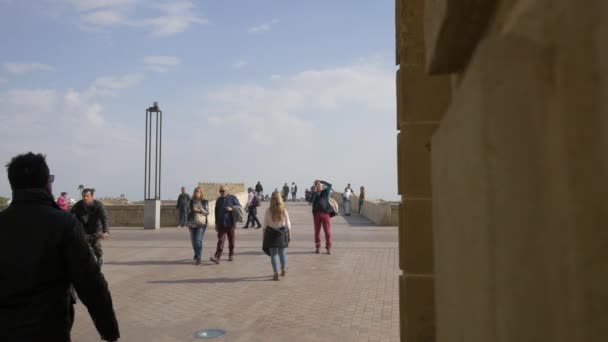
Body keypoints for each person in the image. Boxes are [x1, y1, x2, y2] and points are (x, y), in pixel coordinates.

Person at [0, 152, 119, 341]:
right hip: (49, 329)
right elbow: (90, 282)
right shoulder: (63, 223)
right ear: (47, 183)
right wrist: (109, 331)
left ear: (12, 184)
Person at [71, 188, 110, 267]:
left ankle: (99, 258)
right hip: (83, 229)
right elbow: (71, 217)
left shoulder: (98, 205)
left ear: (92, 196)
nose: (85, 198)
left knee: (96, 246)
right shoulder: (78, 206)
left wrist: (105, 231)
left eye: (87, 196)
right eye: (84, 196)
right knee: (81, 246)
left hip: (96, 229)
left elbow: (104, 218)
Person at [262, 192, 291, 281]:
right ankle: (283, 270)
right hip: (281, 234)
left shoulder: (268, 210)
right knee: (282, 253)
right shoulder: (283, 210)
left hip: (271, 233)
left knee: (273, 254)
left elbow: (265, 225)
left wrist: (264, 237)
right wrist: (289, 235)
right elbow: (288, 225)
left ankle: (275, 273)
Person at [210, 185, 242, 264]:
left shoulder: (232, 198)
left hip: (230, 223)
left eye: (223, 191)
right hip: (221, 223)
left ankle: (231, 254)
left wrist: (232, 209)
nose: (221, 192)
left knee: (231, 240)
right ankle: (217, 257)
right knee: (220, 240)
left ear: (227, 191)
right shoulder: (219, 200)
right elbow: (216, 212)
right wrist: (216, 223)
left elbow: (239, 206)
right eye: (220, 191)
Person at [309, 180, 333, 254]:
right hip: (316, 214)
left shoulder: (325, 192)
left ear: (322, 186)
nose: (318, 186)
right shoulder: (314, 193)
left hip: (325, 214)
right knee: (317, 232)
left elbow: (330, 185)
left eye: (319, 185)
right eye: (317, 185)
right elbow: (310, 200)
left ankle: (328, 248)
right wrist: (314, 192)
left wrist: (321, 181)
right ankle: (317, 247)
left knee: (327, 232)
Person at [187, 186, 209, 265]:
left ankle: (199, 257)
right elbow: (188, 212)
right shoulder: (191, 202)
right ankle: (197, 252)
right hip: (192, 224)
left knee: (198, 240)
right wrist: (188, 224)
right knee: (193, 242)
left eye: (198, 192)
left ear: (201, 193)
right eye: (196, 191)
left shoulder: (205, 201)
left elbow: (207, 212)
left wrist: (199, 210)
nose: (197, 193)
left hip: (201, 224)